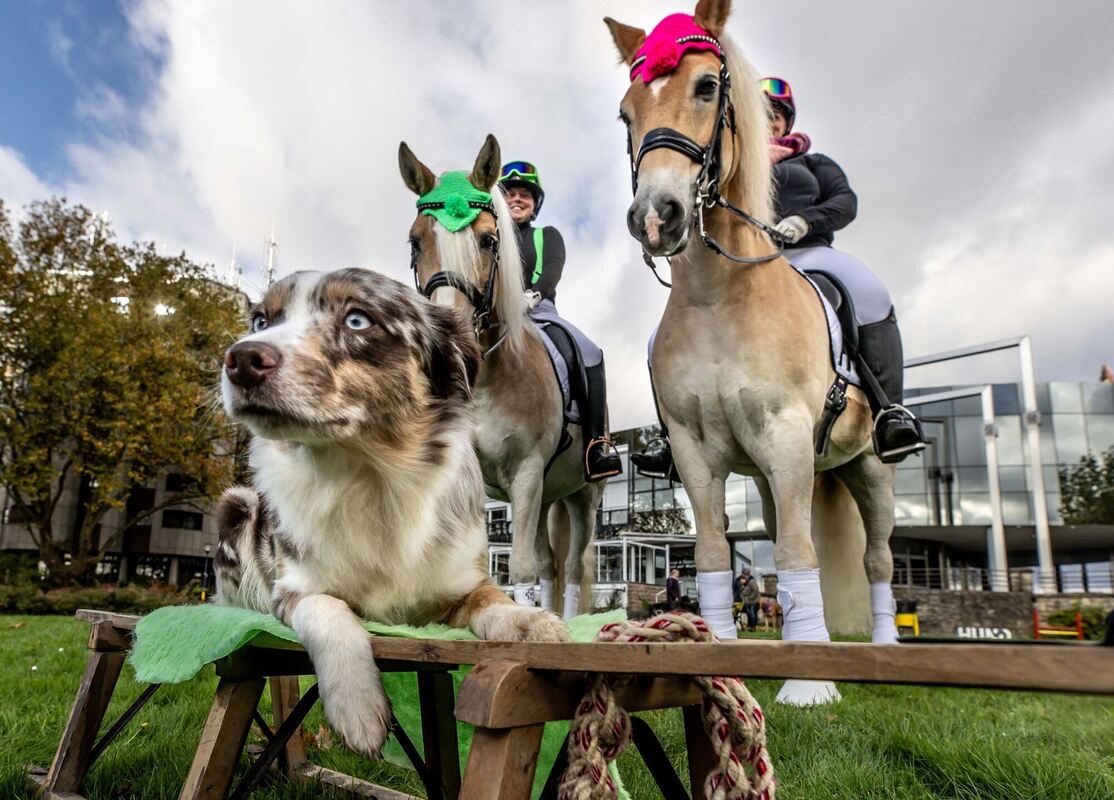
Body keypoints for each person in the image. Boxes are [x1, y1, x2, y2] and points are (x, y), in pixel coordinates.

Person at [631, 77, 925, 478]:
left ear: (787, 122)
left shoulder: (813, 164)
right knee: (658, 339)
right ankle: (674, 438)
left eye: (777, 114)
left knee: (868, 291)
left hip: (810, 254)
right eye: (761, 113)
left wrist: (805, 221)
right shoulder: (727, 168)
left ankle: (888, 411)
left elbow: (845, 202)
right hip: (744, 266)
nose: (769, 120)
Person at [497, 160, 622, 481]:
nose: (516, 199)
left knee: (590, 352)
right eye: (510, 193)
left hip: (538, 313)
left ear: (535, 203)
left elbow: (552, 269)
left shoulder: (546, 235)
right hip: (495, 317)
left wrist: (533, 294)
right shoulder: (490, 239)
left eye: (525, 194)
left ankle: (596, 444)